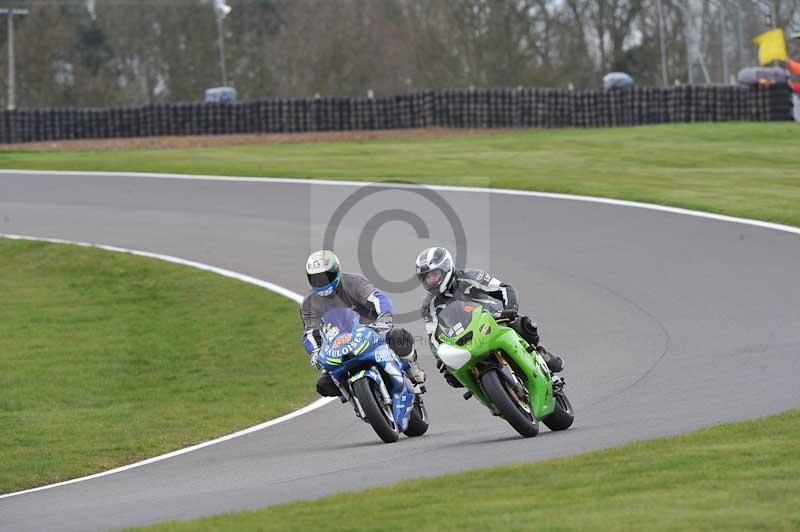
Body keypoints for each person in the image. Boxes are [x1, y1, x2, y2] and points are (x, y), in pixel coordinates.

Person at [414, 246, 564, 389]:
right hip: (463, 340)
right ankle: (489, 395)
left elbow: (504, 289)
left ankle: (542, 355)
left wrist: (510, 308)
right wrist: (441, 360)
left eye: (434, 275)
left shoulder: (470, 277)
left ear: (446, 267)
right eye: (427, 278)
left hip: (495, 320)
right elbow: (433, 337)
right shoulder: (428, 306)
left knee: (525, 324)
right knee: (453, 377)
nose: (431, 280)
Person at [301, 250, 425, 397]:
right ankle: (355, 398)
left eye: (326, 277)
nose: (322, 283)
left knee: (399, 337)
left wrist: (384, 316)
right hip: (338, 346)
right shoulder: (308, 304)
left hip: (371, 332)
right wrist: (315, 351)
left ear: (336, 271)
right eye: (315, 279)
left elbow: (377, 298)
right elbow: (311, 332)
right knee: (324, 386)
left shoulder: (353, 282)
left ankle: (410, 368)